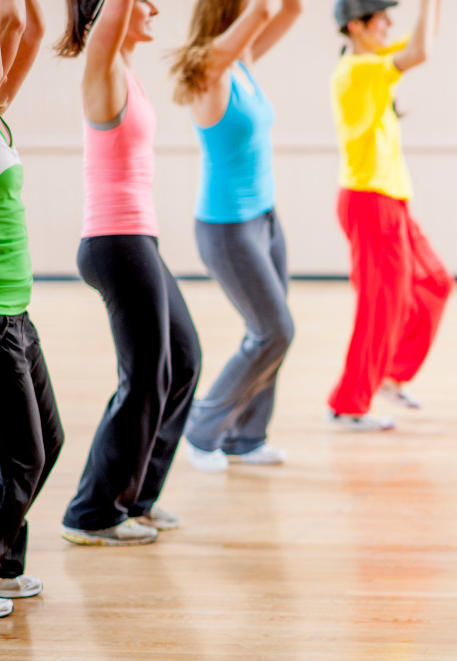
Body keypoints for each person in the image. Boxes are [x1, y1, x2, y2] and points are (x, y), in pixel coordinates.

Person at [57, 0, 201, 546]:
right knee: (144, 377)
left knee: (182, 361)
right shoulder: (103, 60)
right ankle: (91, 512)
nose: (155, 8)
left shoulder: (127, 73)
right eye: (142, 1)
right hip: (115, 241)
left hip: (138, 239)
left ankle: (136, 496)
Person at [172, 0, 301, 473]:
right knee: (274, 330)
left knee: (271, 334)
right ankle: (203, 429)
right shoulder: (210, 70)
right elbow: (265, 11)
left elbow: (289, 10)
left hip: (265, 220)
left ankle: (246, 437)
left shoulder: (242, 64)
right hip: (227, 229)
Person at [327, 0, 453, 431]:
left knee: (435, 283)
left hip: (392, 199)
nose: (388, 23)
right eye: (381, 17)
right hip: (368, 201)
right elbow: (419, 53)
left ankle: (389, 374)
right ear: (357, 27)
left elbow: (424, 44)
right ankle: (349, 403)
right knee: (380, 304)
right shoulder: (355, 71)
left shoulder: (373, 59)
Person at [0, 0, 61, 619]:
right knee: (22, 456)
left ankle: (4, 564)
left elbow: (26, 26)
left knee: (50, 442)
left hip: (17, 309)